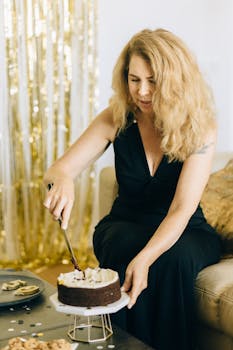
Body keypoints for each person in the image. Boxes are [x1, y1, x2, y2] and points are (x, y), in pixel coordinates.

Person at [43, 28, 222, 350]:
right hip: (126, 223)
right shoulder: (116, 117)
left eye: (153, 81)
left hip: (185, 229)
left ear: (175, 79)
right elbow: (59, 169)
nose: (142, 91)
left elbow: (182, 209)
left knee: (172, 258)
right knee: (123, 242)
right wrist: (62, 181)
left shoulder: (200, 125)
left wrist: (146, 258)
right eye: (134, 79)